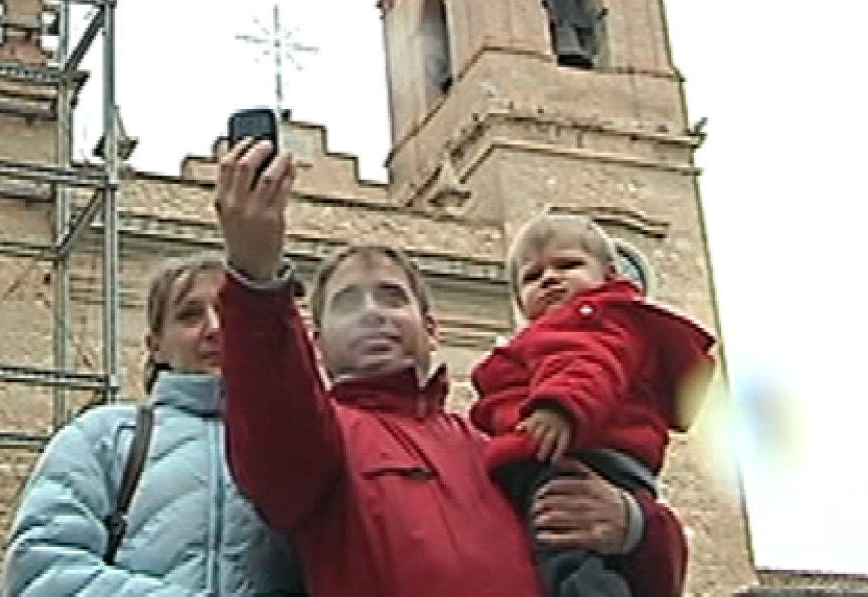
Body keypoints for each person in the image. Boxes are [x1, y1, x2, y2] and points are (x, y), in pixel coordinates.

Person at [212, 140, 687, 597]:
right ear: (316, 341)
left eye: (392, 297)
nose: (373, 313)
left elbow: (654, 574)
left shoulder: (497, 448)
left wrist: (635, 527)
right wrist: (256, 279)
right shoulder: (320, 441)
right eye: (347, 303)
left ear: (430, 327)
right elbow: (271, 414)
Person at [1, 253, 302, 596]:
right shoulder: (103, 438)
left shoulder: (299, 447)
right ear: (155, 345)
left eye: (229, 313)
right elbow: (41, 572)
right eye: (190, 316)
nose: (215, 329)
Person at [469, 212, 716, 596]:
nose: (550, 278)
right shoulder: (560, 331)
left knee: (564, 551)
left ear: (611, 275)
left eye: (567, 265)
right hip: (581, 455)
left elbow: (590, 367)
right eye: (533, 277)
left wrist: (558, 408)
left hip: (583, 453)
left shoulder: (592, 321)